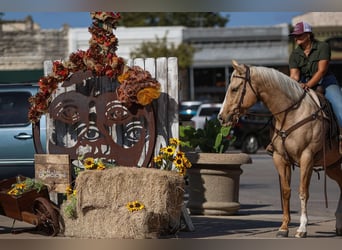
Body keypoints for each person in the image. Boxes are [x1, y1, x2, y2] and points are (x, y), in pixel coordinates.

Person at [266, 21, 342, 155]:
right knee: (284, 106)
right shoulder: (295, 54)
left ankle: (340, 138)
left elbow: (322, 71)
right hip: (303, 82)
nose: (296, 38)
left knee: (340, 108)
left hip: (326, 81)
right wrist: (290, 86)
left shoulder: (322, 46)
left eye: (299, 35)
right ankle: (275, 140)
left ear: (308, 35)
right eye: (295, 35)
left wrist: (308, 85)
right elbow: (294, 76)